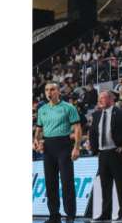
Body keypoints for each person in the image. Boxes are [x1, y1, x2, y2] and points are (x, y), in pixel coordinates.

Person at [89, 91, 122, 221]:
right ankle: (105, 213)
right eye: (99, 98)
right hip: (102, 154)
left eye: (103, 98)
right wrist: (93, 148)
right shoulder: (96, 115)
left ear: (111, 99)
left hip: (117, 152)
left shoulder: (121, 113)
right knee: (105, 185)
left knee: (120, 185)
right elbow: (93, 132)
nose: (100, 100)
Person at [33, 82, 82, 223]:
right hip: (48, 147)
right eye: (47, 89)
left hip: (64, 145)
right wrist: (36, 141)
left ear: (58, 91)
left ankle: (70, 214)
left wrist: (77, 147)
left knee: (67, 181)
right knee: (50, 182)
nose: (50, 92)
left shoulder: (68, 107)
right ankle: (54, 214)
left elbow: (78, 128)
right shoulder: (42, 110)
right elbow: (38, 129)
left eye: (53, 89)